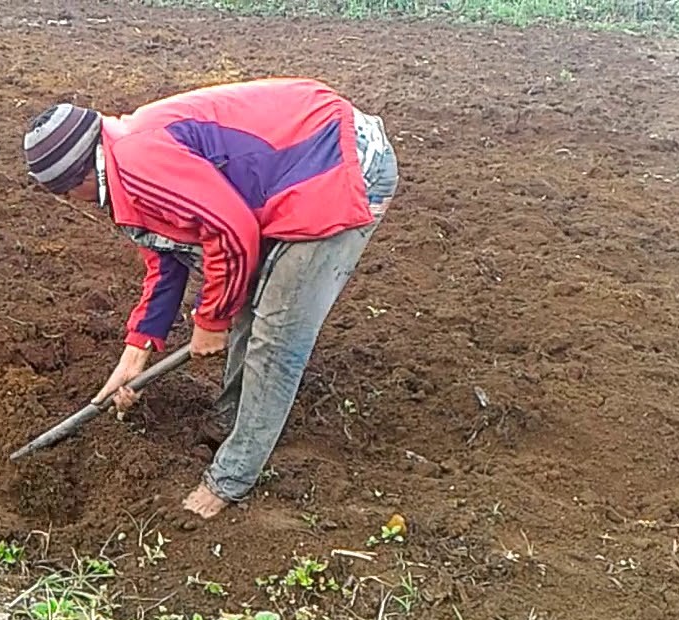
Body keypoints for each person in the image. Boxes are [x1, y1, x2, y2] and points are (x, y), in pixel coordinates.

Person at [22, 77, 399, 519]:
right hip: (297, 165)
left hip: (339, 164)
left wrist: (211, 321)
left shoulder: (139, 161)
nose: (73, 202)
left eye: (67, 194)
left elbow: (231, 231)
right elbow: (167, 258)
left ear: (82, 176)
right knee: (248, 298)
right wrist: (136, 352)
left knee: (276, 331)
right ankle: (230, 418)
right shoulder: (122, 159)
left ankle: (232, 476)